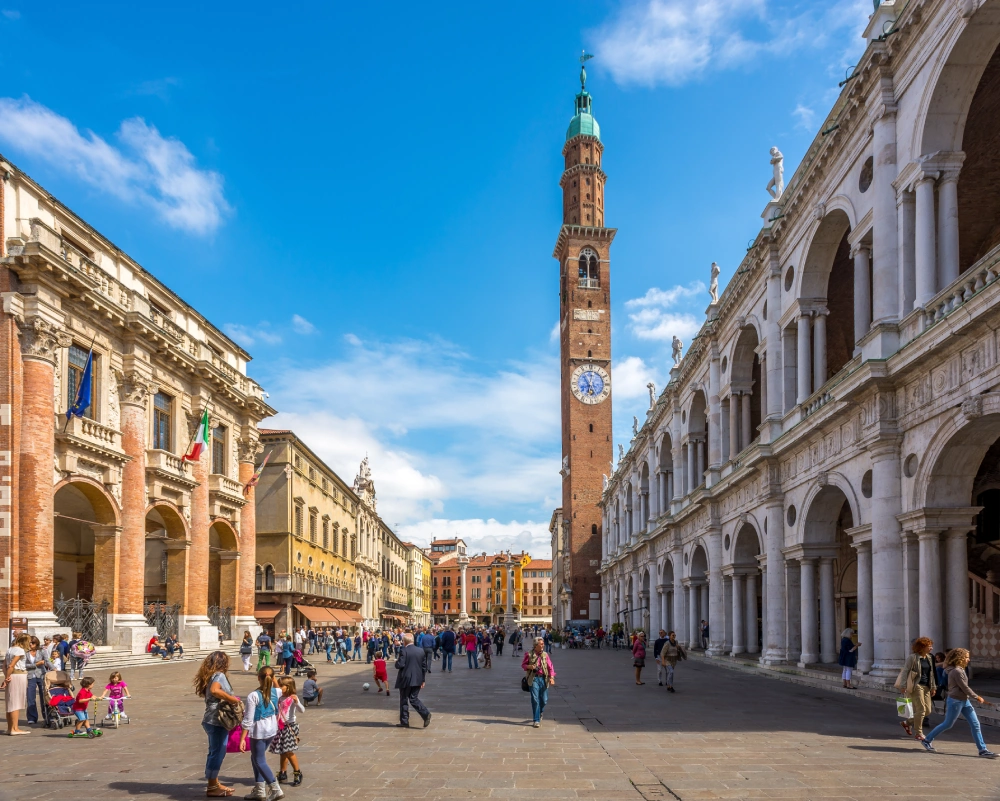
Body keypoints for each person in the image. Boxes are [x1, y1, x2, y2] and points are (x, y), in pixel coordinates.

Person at [922, 648, 997, 758]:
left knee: (975, 724)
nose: (968, 659)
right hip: (955, 701)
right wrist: (977, 697)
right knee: (948, 724)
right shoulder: (956, 671)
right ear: (960, 658)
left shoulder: (959, 669)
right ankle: (927, 740)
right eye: (966, 657)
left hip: (964, 700)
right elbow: (964, 687)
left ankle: (982, 749)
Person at [195, 650, 240, 797]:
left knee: (215, 751)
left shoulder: (211, 676)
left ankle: (214, 782)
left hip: (211, 719)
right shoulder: (219, 675)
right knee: (217, 753)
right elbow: (215, 691)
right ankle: (212, 786)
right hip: (217, 720)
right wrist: (232, 699)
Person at [240, 666, 284, 800]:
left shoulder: (253, 695)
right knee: (256, 757)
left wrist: (242, 738)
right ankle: (260, 790)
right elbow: (278, 687)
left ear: (258, 678)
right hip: (271, 729)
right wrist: (273, 678)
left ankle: (275, 788)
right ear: (272, 678)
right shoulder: (277, 691)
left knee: (259, 760)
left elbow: (248, 719)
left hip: (258, 731)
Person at [896, 636, 936, 740]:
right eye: (929, 646)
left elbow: (931, 673)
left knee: (927, 711)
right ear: (922, 647)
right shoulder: (913, 657)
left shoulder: (929, 657)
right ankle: (919, 732)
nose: (931, 648)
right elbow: (905, 671)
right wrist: (903, 685)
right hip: (916, 685)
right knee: (921, 709)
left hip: (926, 686)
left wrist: (933, 686)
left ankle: (907, 723)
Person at [270, 677, 305, 787]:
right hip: (280, 726)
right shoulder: (279, 697)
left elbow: (302, 710)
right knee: (282, 751)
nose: (279, 688)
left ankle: (297, 772)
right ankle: (283, 773)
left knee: (288, 751)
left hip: (290, 727)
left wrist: (297, 702)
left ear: (288, 687)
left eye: (282, 686)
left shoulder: (292, 697)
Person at [394, 632, 430, 728]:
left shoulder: (403, 650)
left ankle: (404, 721)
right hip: (417, 679)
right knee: (414, 699)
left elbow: (400, 665)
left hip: (405, 679)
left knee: (404, 699)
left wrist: (396, 662)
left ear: (404, 642)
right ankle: (425, 713)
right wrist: (423, 680)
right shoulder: (420, 651)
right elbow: (424, 667)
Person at [522, 637, 556, 728]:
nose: (543, 645)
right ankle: (536, 720)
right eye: (541, 644)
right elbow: (523, 665)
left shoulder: (545, 655)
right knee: (535, 699)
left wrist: (551, 677)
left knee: (544, 700)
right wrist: (531, 667)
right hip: (534, 679)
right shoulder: (529, 654)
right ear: (535, 645)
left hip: (544, 679)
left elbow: (550, 667)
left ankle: (540, 711)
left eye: (543, 644)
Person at [2, 632, 30, 735]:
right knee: (16, 703)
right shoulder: (20, 650)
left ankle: (10, 728)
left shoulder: (10, 649)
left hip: (11, 676)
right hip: (18, 676)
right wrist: (7, 678)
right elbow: (11, 665)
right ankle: (15, 728)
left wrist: (6, 677)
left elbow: (4, 666)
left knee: (10, 702)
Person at [24, 636, 52, 725]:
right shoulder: (25, 652)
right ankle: (32, 717)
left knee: (44, 696)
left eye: (32, 643)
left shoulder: (42, 651)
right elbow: (24, 665)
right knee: (30, 697)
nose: (30, 644)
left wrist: (55, 669)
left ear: (36, 643)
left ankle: (48, 716)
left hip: (41, 674)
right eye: (29, 643)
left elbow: (47, 661)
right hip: (30, 676)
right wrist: (36, 664)